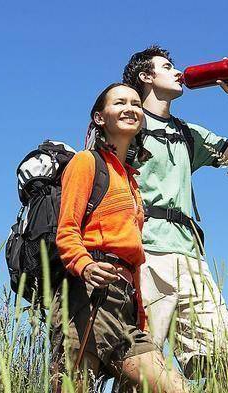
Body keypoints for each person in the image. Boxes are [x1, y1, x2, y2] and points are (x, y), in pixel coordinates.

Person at [120, 46, 228, 384]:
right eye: (167, 66)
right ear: (146, 77)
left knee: (223, 355)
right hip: (145, 253)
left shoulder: (189, 134)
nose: (177, 71)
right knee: (143, 363)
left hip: (191, 256)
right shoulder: (128, 124)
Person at [51, 82, 190, 393]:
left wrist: (139, 315)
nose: (130, 108)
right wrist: (85, 265)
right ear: (100, 118)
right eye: (120, 102)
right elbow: (67, 229)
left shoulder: (131, 180)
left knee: (175, 387)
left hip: (124, 304)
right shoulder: (87, 162)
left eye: (135, 103)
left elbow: (134, 255)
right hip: (86, 295)